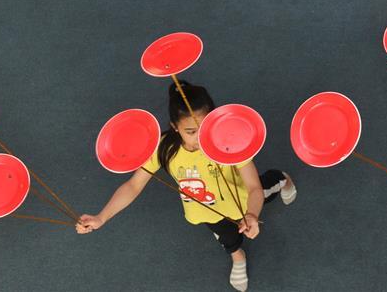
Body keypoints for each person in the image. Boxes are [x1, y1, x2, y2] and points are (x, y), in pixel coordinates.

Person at [77, 82, 297, 292]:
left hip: (244, 201)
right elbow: (133, 185)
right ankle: (237, 256)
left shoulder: (228, 136)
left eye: (204, 128)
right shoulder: (164, 148)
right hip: (205, 210)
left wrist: (251, 214)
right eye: (191, 132)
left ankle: (282, 179)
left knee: (268, 186)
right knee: (226, 238)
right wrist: (101, 217)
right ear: (175, 127)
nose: (200, 138)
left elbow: (254, 188)